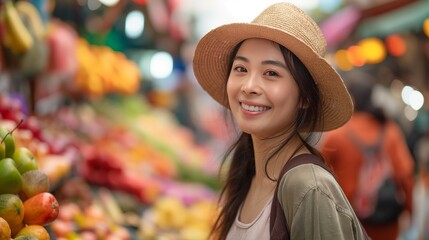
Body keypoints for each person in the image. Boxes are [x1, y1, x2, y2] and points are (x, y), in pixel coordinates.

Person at [192, 3, 367, 239]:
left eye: (271, 73)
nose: (249, 86)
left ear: (304, 96)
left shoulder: (309, 188)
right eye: (241, 68)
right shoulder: (248, 172)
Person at [319, 72, 414, 240]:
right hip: (386, 220)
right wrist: (409, 209)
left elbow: (319, 175)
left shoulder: (337, 135)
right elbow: (405, 174)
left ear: (351, 99)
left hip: (347, 221)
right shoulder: (390, 131)